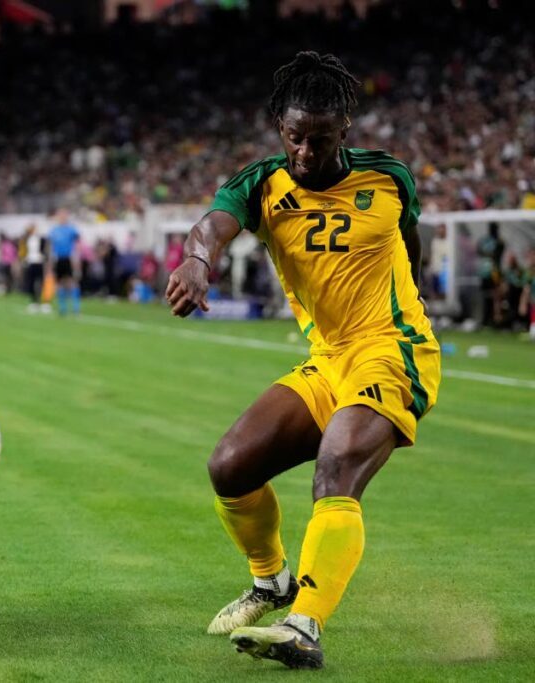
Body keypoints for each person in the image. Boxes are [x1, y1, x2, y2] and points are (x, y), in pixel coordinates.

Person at [166, 52, 441, 669]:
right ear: (279, 131)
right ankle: (271, 583)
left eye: (321, 140)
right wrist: (197, 261)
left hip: (392, 350)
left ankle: (304, 626)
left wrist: (413, 301)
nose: (307, 154)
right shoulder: (262, 184)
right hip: (329, 359)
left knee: (337, 463)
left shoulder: (389, 177)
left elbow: (411, 240)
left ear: (345, 130)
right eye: (296, 139)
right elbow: (212, 227)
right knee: (230, 467)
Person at [47, 208, 81, 315]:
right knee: (59, 283)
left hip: (68, 258)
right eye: (60, 215)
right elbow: (51, 247)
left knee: (72, 282)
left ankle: (76, 307)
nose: (62, 217)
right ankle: (62, 307)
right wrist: (50, 262)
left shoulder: (71, 229)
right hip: (58, 259)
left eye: (64, 215)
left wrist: (76, 259)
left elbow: (77, 244)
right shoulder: (54, 230)